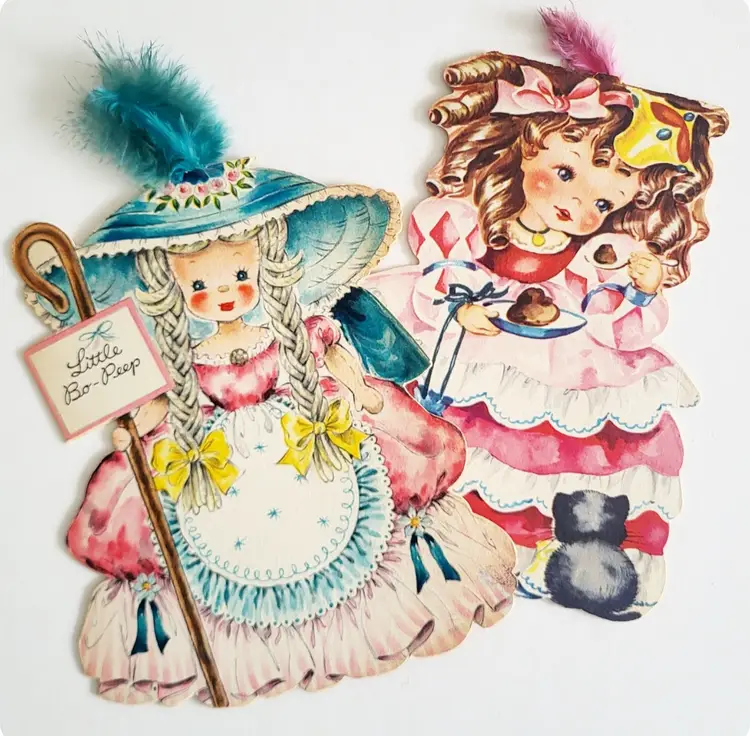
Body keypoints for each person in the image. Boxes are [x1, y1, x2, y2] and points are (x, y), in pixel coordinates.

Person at [28, 43, 516, 705]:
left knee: (359, 516)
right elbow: (155, 409)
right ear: (172, 293)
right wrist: (136, 424)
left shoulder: (300, 334)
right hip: (216, 467)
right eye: (200, 286)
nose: (224, 295)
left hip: (310, 442)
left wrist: (355, 389)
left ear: (269, 267)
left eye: (238, 274)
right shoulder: (180, 363)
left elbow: (341, 372)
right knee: (216, 545)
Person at [363, 51, 727, 620]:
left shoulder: (594, 259)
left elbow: (616, 324)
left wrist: (639, 287)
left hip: (570, 352)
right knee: (471, 443)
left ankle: (583, 553)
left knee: (588, 444)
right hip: (485, 342)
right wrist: (461, 308)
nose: (578, 206)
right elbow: (446, 275)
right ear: (524, 148)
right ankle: (468, 551)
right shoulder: (469, 223)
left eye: (603, 203)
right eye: (565, 175)